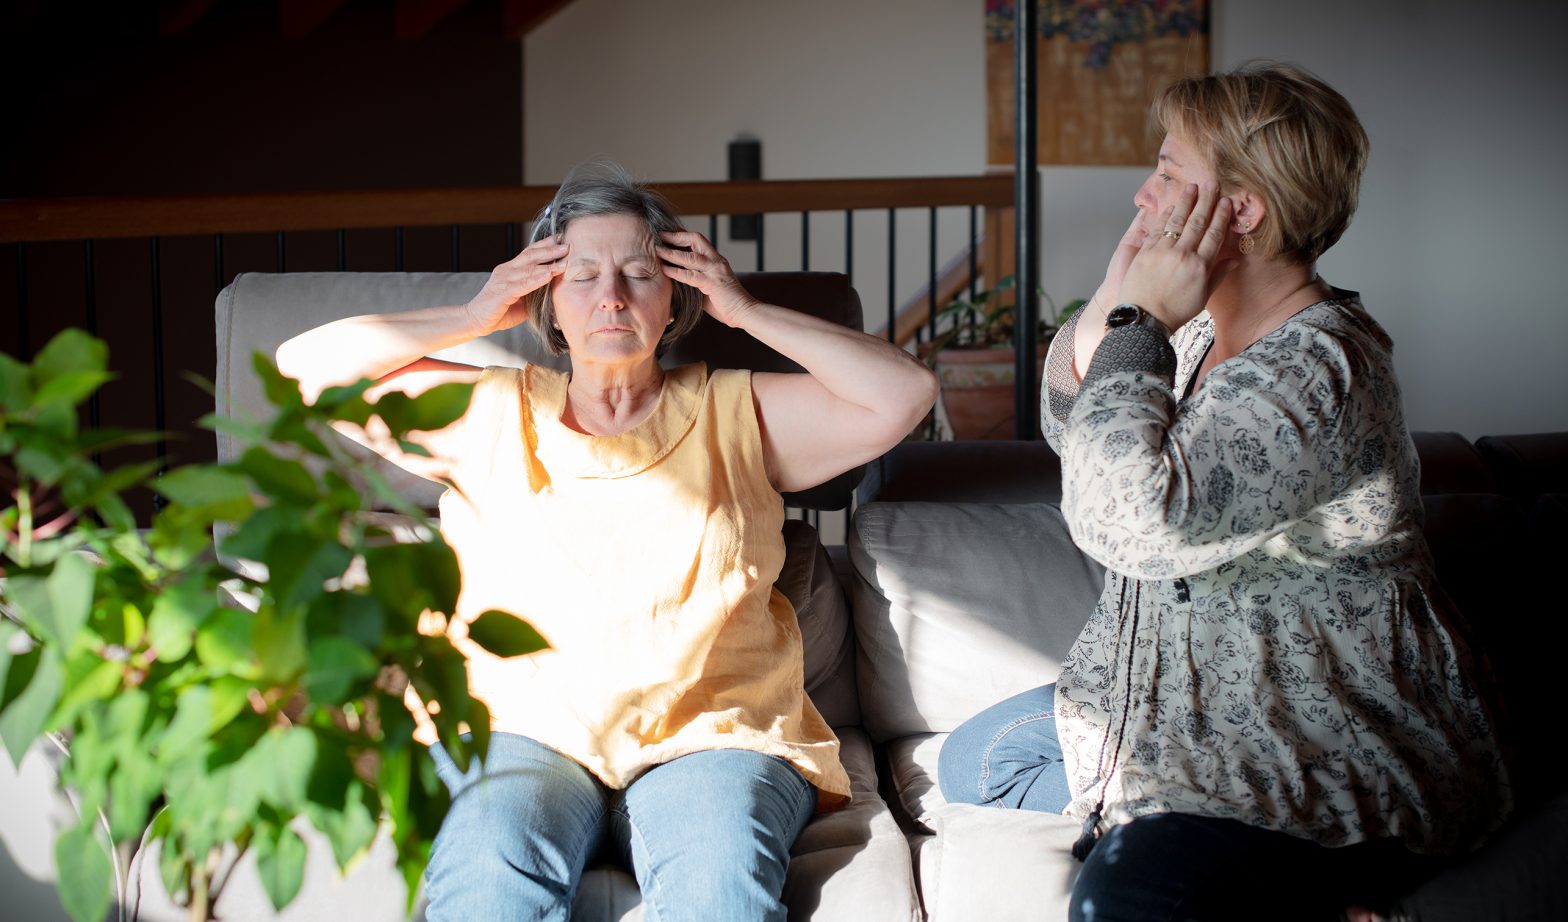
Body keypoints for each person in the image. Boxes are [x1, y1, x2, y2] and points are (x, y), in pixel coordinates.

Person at [275, 162, 937, 921]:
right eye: (582, 275)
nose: (612, 296)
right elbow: (299, 370)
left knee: (719, 897)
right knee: (484, 890)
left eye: (640, 274)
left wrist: (745, 308)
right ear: (547, 301)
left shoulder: (737, 410)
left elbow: (905, 394)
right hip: (523, 734)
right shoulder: (488, 410)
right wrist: (479, 311)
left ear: (676, 298)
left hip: (711, 737)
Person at [938, 63, 1511, 921]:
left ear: (1240, 212)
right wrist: (1117, 293)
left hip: (1311, 740)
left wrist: (1143, 325)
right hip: (1168, 705)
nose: (1144, 193)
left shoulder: (1321, 373)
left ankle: (1331, 883)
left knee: (1124, 893)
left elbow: (1127, 521)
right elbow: (1077, 434)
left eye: (1168, 172)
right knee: (972, 765)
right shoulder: (1203, 327)